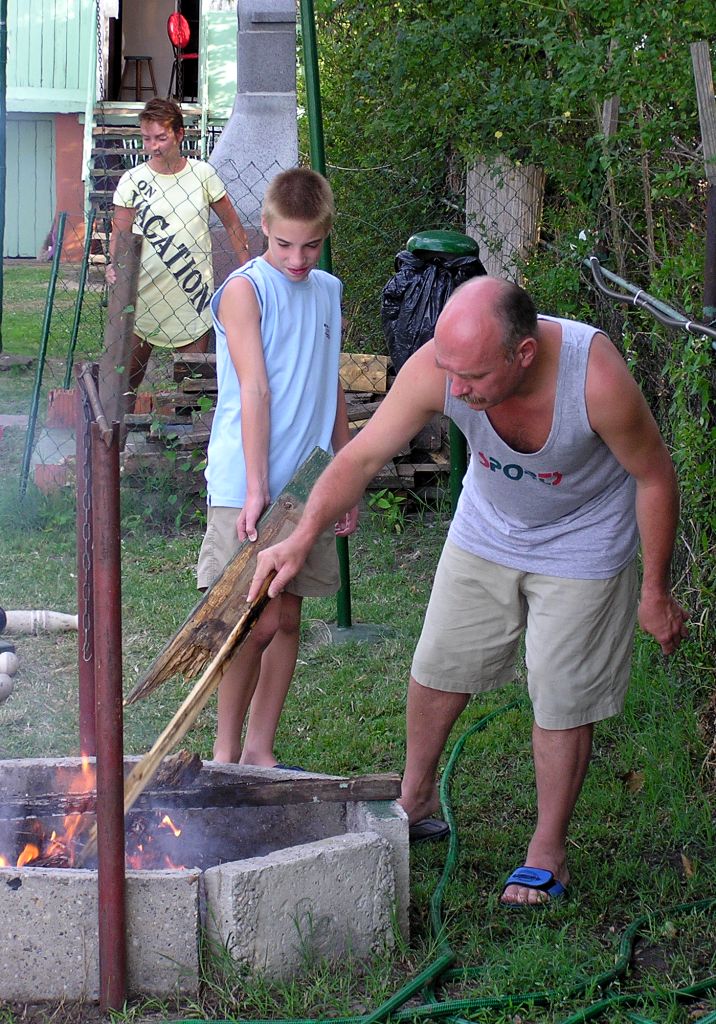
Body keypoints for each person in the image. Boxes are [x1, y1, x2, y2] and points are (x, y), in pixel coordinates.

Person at [247, 275, 689, 905]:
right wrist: (300, 536)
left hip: (583, 536)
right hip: (488, 523)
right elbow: (362, 457)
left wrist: (655, 591)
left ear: (523, 353)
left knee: (561, 694)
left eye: (473, 376)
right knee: (438, 665)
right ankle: (417, 796)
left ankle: (547, 850)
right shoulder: (442, 367)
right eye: (450, 371)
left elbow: (654, 477)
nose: (455, 390)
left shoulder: (594, 379)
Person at [197, 166, 359, 767]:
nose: (297, 258)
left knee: (287, 619)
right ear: (265, 226)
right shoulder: (246, 290)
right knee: (249, 622)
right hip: (248, 483)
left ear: (325, 233)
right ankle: (225, 752)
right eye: (285, 243)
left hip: (308, 485)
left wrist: (344, 476)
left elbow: (330, 381)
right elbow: (256, 389)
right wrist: (257, 489)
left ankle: (260, 751)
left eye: (310, 245)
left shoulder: (328, 290)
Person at [106, 98, 251, 410]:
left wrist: (248, 272)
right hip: (141, 299)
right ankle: (119, 436)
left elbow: (233, 225)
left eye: (161, 137)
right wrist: (112, 264)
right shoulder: (132, 181)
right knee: (125, 382)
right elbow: (119, 233)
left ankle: (188, 438)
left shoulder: (203, 175)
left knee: (192, 387)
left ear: (180, 134)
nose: (153, 147)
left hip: (192, 298)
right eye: (147, 138)